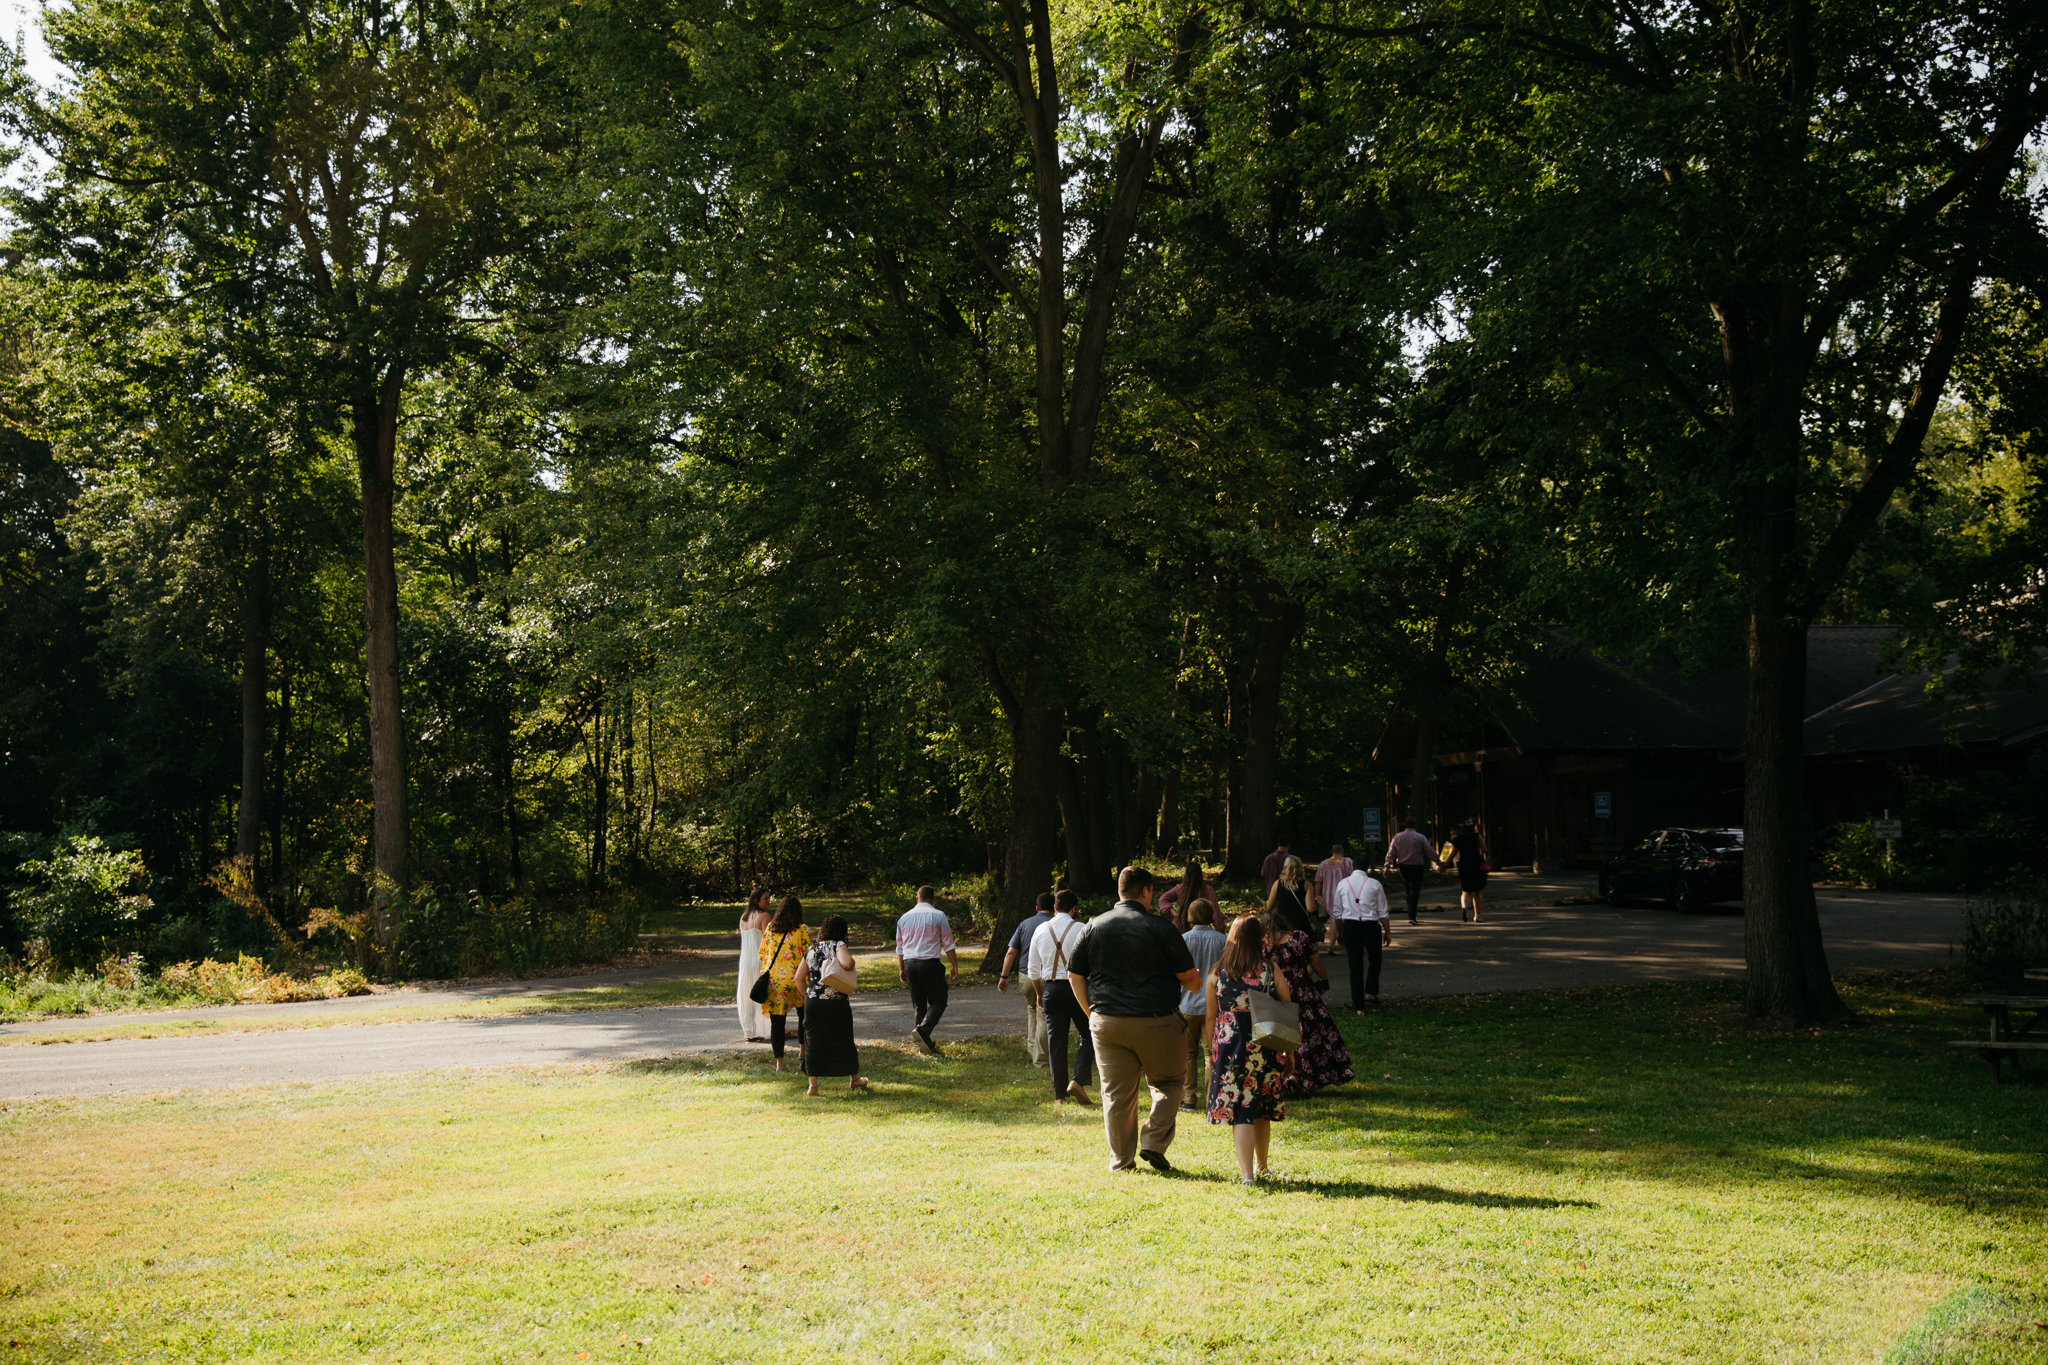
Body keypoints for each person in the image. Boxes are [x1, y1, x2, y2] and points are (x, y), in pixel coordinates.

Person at [1066, 866, 1199, 1172]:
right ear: (1146, 891)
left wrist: (1091, 1012)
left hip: (1106, 1021)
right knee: (1169, 1081)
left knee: (1115, 1094)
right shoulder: (1161, 928)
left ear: (1119, 891)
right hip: (1156, 1019)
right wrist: (1194, 982)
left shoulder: (1092, 926)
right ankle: (1152, 1141)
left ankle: (1121, 1162)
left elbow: (1075, 975)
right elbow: (1190, 979)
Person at [1205, 915, 1290, 1184]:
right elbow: (1287, 1009)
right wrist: (1289, 1052)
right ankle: (1261, 1167)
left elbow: (1210, 1015)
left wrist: (1211, 1049)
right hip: (1265, 1041)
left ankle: (1248, 1175)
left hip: (1229, 1042)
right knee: (1261, 1105)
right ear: (1257, 938)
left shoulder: (1217, 971)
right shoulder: (1269, 969)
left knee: (1241, 1108)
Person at [1268, 906, 1353, 1095]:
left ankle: (1285, 1076)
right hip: (1303, 989)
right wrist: (1324, 981)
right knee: (1311, 1031)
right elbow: (1316, 963)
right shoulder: (1300, 937)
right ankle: (1306, 1075)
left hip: (1276, 992)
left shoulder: (1264, 943)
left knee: (1281, 1033)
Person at [1028, 888, 1095, 1105]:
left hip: (1051, 989)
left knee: (1056, 1042)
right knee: (1091, 1033)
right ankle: (1078, 1079)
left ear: (1055, 908)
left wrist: (1040, 994)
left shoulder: (1040, 930)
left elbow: (1033, 971)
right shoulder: (1083, 929)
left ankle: (1059, 1096)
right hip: (1078, 988)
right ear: (1074, 909)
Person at [795, 913, 870, 1095]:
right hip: (836, 1003)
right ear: (842, 932)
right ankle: (854, 1079)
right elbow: (846, 963)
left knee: (813, 1042)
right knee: (845, 1039)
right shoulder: (838, 945)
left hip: (813, 1003)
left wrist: (810, 996)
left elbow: (798, 978)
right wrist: (850, 962)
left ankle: (813, 1086)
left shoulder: (811, 949)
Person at [1177, 900, 1227, 1113]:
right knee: (1210, 1054)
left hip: (1187, 1004)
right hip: (1212, 1006)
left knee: (1188, 1054)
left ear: (1190, 916)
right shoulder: (1223, 940)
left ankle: (1188, 1099)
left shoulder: (1183, 940)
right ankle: (1211, 1098)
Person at [895, 885, 957, 1055]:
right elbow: (948, 942)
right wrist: (954, 965)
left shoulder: (903, 918)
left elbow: (900, 948)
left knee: (919, 1005)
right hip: (930, 964)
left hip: (910, 964)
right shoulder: (938, 915)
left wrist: (902, 969)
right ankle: (922, 1031)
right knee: (939, 1001)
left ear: (917, 899)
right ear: (933, 900)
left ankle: (924, 1045)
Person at [998, 891, 1056, 1068]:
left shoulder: (1025, 924)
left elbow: (1011, 952)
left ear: (1036, 908)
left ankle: (1032, 1050)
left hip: (1025, 976)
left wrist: (1004, 976)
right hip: (1045, 976)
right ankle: (1041, 1059)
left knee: (1032, 1009)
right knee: (1044, 1014)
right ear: (1054, 908)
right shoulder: (1054, 924)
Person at [758, 895, 812, 1072]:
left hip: (774, 982)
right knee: (803, 1016)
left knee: (777, 1023)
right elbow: (809, 955)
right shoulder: (802, 930)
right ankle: (802, 1051)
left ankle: (779, 1063)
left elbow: (762, 954)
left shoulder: (770, 928)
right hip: (797, 980)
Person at [1329, 863, 1391, 1010]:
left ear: (1352, 868)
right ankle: (1371, 991)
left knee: (1355, 965)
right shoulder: (1374, 884)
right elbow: (1383, 911)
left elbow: (1337, 912)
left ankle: (1359, 1007)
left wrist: (1339, 932)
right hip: (1370, 926)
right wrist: (1388, 931)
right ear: (1367, 868)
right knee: (1375, 959)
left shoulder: (1343, 884)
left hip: (1351, 927)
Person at [736, 888, 774, 1043]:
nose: (768, 901)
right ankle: (766, 1028)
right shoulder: (764, 916)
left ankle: (749, 1029)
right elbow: (769, 940)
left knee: (748, 993)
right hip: (759, 960)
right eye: (765, 898)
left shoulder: (743, 918)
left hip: (745, 960)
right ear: (756, 900)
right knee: (763, 993)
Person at [1385, 819, 1435, 926]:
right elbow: (1429, 851)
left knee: (1408, 889)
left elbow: (1391, 853)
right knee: (1415, 890)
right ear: (1415, 825)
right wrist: (1439, 863)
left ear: (1404, 825)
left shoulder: (1397, 837)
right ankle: (1412, 915)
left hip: (1403, 867)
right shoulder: (1420, 837)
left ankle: (1410, 913)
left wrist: (1387, 867)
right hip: (1417, 866)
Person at [1264, 855, 1318, 940]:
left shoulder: (1277, 884)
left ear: (1285, 867)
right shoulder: (1306, 885)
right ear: (1300, 868)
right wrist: (1317, 902)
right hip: (1301, 926)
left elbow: (1269, 907)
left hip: (1283, 926)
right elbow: (1311, 908)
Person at [1157, 860, 1217, 933]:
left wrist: (1175, 914)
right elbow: (1216, 915)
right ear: (1200, 875)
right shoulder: (1207, 890)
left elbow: (1163, 899)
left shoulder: (1180, 889)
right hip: (1200, 930)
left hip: (1179, 928)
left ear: (1186, 875)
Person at [1448, 819, 1490, 922]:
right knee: (1477, 891)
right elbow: (1484, 850)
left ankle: (1464, 907)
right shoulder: (1477, 836)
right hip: (1476, 865)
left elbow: (1452, 854)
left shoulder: (1458, 839)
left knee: (1466, 891)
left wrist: (1444, 865)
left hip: (1464, 866)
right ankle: (1477, 916)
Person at [1314, 844, 1354, 921]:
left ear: (1332, 852)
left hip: (1327, 898)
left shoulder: (1322, 865)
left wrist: (1318, 895)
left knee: (1331, 920)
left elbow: (1318, 881)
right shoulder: (1348, 862)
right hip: (1343, 895)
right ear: (1342, 852)